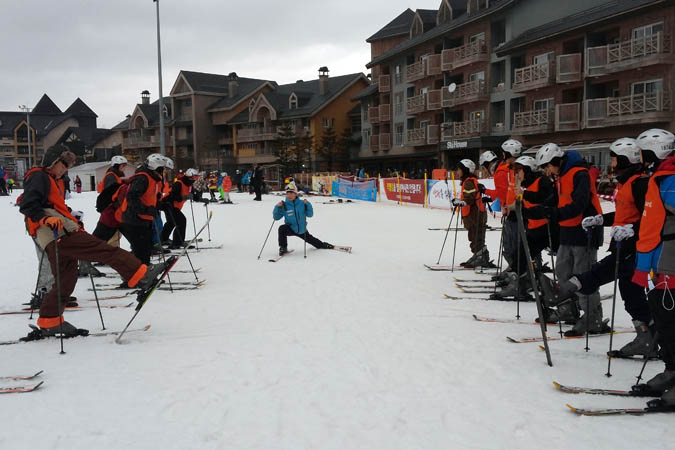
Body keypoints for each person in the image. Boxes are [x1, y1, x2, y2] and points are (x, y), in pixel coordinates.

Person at [18, 149, 169, 337]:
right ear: (53, 162)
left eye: (68, 167)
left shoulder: (51, 180)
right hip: (58, 233)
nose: (65, 170)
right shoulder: (40, 176)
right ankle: (141, 275)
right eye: (63, 165)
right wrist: (43, 219)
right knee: (104, 250)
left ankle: (50, 320)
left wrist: (69, 214)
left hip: (55, 235)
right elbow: (27, 204)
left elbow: (50, 204)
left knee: (65, 280)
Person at [552, 137, 654, 354]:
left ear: (626, 159)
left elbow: (651, 217)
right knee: (630, 293)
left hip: (634, 247)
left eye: (615, 160)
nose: (612, 164)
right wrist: (602, 219)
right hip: (623, 243)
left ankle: (568, 288)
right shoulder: (628, 182)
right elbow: (625, 213)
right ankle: (647, 336)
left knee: (601, 274)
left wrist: (632, 230)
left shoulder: (640, 183)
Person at [532, 143, 605, 336]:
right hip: (567, 233)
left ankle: (592, 316)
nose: (547, 171)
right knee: (563, 273)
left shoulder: (580, 174)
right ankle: (568, 309)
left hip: (584, 232)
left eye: (547, 167)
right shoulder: (561, 176)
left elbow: (579, 205)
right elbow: (555, 201)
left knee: (582, 276)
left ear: (556, 161)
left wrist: (553, 213)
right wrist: (532, 211)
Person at [630, 129, 675, 407]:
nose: (640, 159)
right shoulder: (661, 178)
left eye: (643, 153)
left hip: (670, 262)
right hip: (661, 261)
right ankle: (672, 369)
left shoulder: (669, 180)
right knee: (664, 319)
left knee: (671, 319)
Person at [492, 155, 556, 300]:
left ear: (527, 170)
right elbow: (525, 202)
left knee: (523, 255)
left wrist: (524, 194)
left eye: (519, 171)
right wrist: (510, 207)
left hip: (546, 227)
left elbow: (545, 199)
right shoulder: (526, 184)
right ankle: (521, 284)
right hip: (534, 226)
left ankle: (529, 283)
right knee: (520, 256)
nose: (516, 175)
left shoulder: (542, 181)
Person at [119, 153, 169, 265]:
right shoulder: (142, 178)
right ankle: (137, 275)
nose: (162, 172)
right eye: (161, 169)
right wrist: (146, 209)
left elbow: (148, 198)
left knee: (146, 249)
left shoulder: (153, 178)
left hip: (144, 219)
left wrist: (160, 205)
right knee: (141, 251)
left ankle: (144, 270)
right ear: (155, 167)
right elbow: (132, 198)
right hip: (133, 219)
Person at [485, 140, 520, 281]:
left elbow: (503, 191)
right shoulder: (512, 169)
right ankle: (516, 269)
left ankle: (515, 270)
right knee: (514, 242)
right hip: (513, 208)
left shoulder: (504, 170)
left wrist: (506, 205)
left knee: (510, 242)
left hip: (513, 210)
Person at [273, 182, 333, 255]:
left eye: (292, 193)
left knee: (312, 240)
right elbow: (276, 218)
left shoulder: (302, 203)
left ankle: (323, 245)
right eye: (288, 193)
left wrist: (308, 204)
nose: (289, 195)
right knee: (282, 228)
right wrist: (277, 207)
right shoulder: (284, 205)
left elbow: (310, 215)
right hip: (291, 228)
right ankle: (283, 248)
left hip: (302, 230)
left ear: (296, 194)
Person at [452, 159, 491, 268]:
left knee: (476, 237)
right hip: (473, 214)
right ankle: (478, 255)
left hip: (475, 214)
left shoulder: (469, 182)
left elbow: (470, 199)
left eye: (459, 169)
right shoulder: (467, 181)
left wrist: (459, 202)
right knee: (474, 237)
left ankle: (480, 256)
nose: (457, 172)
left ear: (465, 170)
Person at [160, 168, 196, 249]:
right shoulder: (179, 183)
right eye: (194, 177)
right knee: (181, 221)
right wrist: (183, 197)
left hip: (174, 206)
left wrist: (202, 199)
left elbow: (194, 195)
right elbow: (172, 196)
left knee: (171, 222)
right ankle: (177, 243)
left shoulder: (189, 185)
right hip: (168, 204)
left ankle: (163, 239)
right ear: (190, 177)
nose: (195, 180)